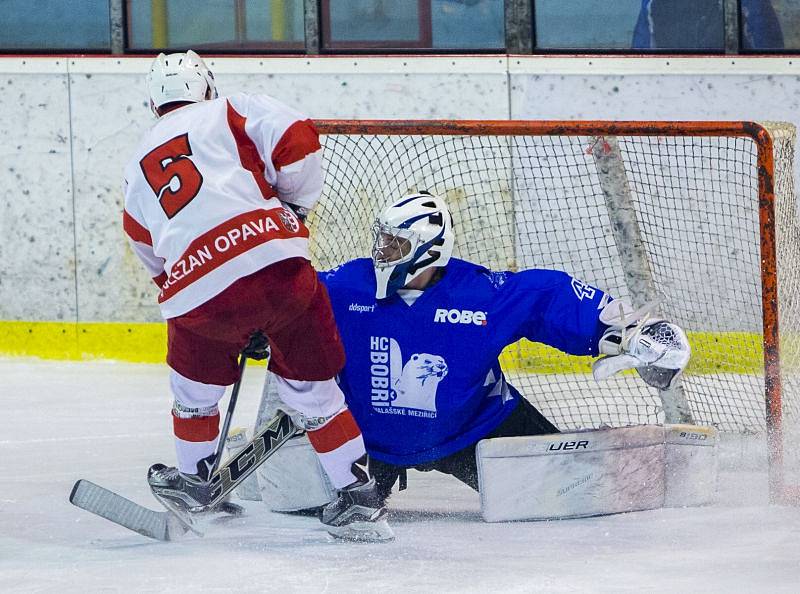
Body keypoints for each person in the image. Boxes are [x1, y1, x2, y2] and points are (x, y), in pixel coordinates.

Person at [122, 50, 392, 541]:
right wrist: (294, 206)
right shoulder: (231, 108)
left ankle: (196, 481)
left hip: (198, 293)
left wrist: (204, 290)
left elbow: (142, 239)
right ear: (205, 83)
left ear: (153, 101)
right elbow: (298, 138)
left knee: (193, 393)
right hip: (277, 268)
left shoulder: (138, 160)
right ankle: (359, 499)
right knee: (314, 392)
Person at [318, 191, 690, 504]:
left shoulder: (479, 294)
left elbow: (546, 297)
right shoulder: (348, 285)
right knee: (306, 508)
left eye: (396, 244)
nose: (382, 252)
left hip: (475, 429)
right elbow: (294, 299)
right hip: (369, 445)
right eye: (382, 240)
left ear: (429, 250)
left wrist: (627, 331)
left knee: (571, 490)